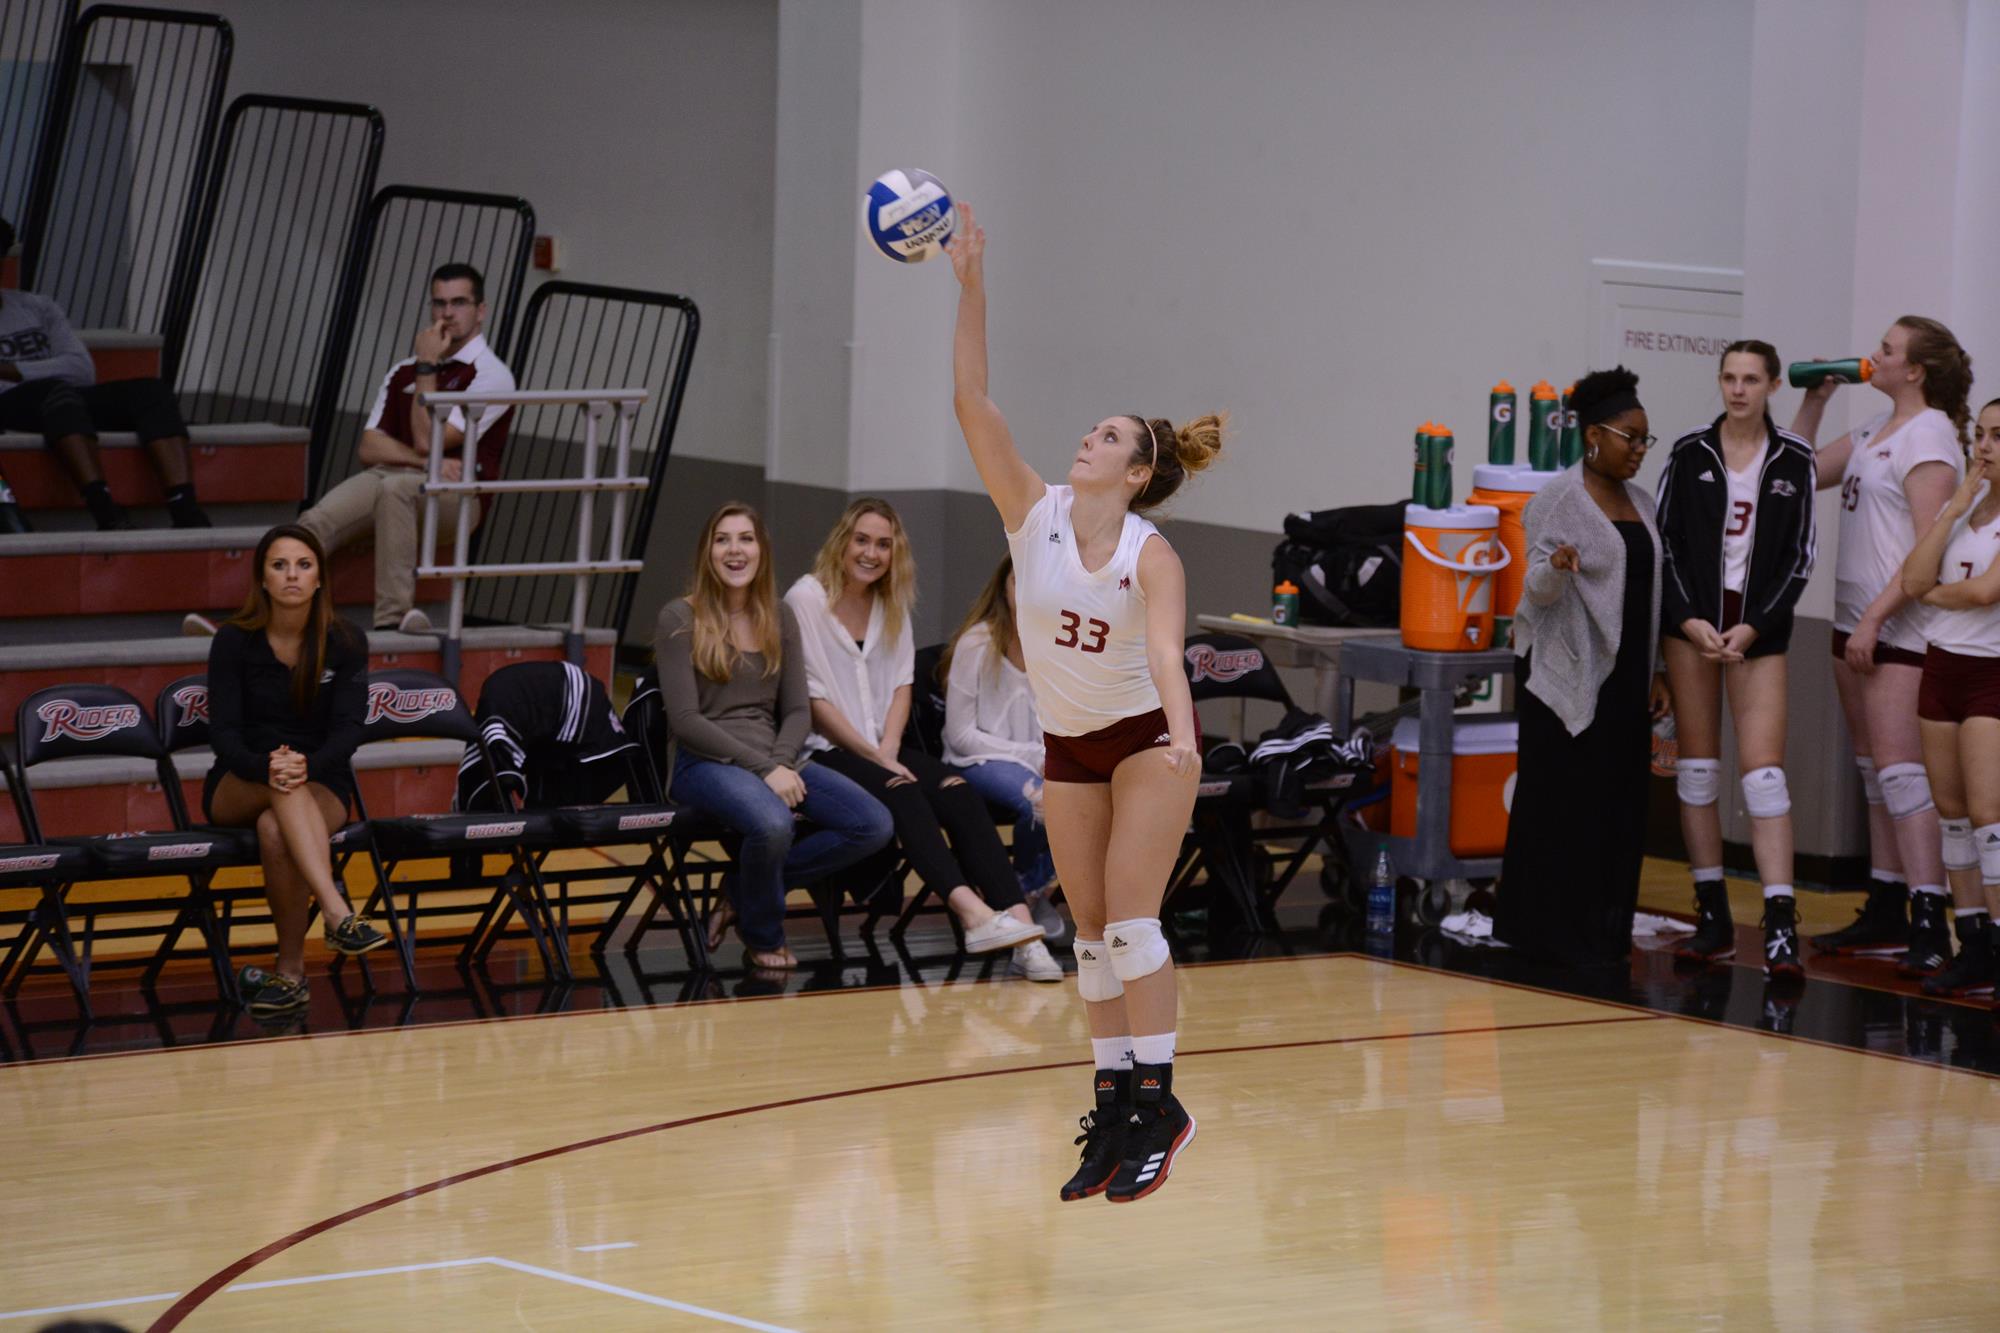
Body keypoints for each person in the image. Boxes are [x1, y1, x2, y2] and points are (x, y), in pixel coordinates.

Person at [946, 203, 1219, 1202]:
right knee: (1091, 939)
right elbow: (972, 398)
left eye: (1105, 436)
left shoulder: (1152, 553)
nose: (1084, 438)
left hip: (1145, 742)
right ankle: (1113, 1103)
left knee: (1135, 929)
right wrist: (970, 284)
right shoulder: (1033, 511)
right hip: (1068, 747)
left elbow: (1161, 651)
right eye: (1090, 430)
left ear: (1136, 473)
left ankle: (1160, 1100)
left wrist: (1185, 737)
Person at [784, 498, 1060, 981]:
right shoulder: (806, 598)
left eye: (883, 544)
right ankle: (973, 916)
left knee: (958, 792)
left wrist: (888, 750)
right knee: (905, 792)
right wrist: (876, 758)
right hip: (827, 749)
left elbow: (900, 686)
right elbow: (812, 699)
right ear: (842, 542)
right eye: (862, 540)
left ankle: (1023, 933)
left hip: (880, 744)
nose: (871, 553)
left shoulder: (890, 603)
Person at [1792, 317, 1967, 973]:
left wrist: (1874, 620)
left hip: (1896, 629)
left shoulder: (1931, 438)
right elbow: (1799, 470)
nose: (1874, 355)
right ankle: (1887, 903)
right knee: (1873, 769)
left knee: (1901, 771)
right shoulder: (1875, 430)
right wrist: (1816, 398)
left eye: (1887, 350)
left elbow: (1930, 549)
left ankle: (1930, 915)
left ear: (1915, 370)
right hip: (1849, 622)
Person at [655, 503, 895, 971]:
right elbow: (685, 720)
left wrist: (781, 762)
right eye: (723, 539)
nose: (735, 550)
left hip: (776, 758)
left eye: (746, 539)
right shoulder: (678, 617)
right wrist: (766, 769)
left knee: (873, 824)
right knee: (772, 825)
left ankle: (742, 890)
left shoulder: (779, 616)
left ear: (761, 551)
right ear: (708, 551)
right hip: (703, 762)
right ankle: (763, 932)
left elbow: (798, 709)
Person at [1495, 366, 1670, 969]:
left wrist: (1660, 670)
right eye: (1631, 437)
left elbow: (1653, 593)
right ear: (1593, 435)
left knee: (1618, 809)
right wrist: (1557, 568)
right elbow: (1535, 593)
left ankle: (1603, 933)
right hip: (1566, 675)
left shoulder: (1644, 504)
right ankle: (1545, 933)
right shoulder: (1556, 501)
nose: (1640, 450)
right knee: (1563, 809)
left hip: (1627, 678)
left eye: (1647, 439)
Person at [1654, 341, 1817, 977]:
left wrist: (1753, 627)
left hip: (1757, 632)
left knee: (1763, 778)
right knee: (1696, 771)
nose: (1739, 390)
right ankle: (1712, 914)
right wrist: (1690, 620)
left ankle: (1780, 925)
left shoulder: (1794, 458)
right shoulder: (1689, 450)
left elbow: (1799, 560)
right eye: (1729, 377)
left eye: (1751, 379)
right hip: (1692, 627)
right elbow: (1666, 543)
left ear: (1773, 385)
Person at [203, 524, 388, 1017]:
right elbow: (222, 734)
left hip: (320, 777)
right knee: (279, 785)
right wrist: (266, 767)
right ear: (262, 578)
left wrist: (308, 765)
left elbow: (350, 729)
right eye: (279, 565)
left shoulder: (345, 640)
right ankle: (337, 912)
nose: (291, 575)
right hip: (237, 779)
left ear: (320, 578)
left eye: (303, 566)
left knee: (276, 825)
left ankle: (290, 975)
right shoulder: (232, 642)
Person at [293, 262, 514, 633]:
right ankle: (262, 624)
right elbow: (368, 446)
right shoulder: (402, 370)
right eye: (439, 303)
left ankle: (391, 622)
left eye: (458, 302)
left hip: (458, 497)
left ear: (481, 311)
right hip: (395, 475)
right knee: (312, 522)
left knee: (397, 490)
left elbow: (431, 439)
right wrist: (423, 462)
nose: (447, 313)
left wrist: (428, 365)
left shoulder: (492, 375)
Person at [0, 215, 209, 531]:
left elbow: (82, 369)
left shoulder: (36, 307)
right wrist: (38, 375)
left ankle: (185, 508)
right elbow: (65, 371)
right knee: (56, 393)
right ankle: (104, 510)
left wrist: (11, 370)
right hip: (14, 404)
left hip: (63, 399)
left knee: (151, 391)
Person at [1899, 399, 2000, 998]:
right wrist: (1955, 506)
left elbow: (1987, 592)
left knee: (1990, 818)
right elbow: (1911, 578)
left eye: (1998, 437)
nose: (1985, 447)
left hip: (1990, 671)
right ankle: (1973, 944)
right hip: (1940, 666)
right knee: (1953, 816)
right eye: (1981, 435)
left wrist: (1933, 595)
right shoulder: (1959, 511)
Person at [940, 553, 1065, 940]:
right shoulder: (977, 643)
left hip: (1041, 761)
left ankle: (1026, 893)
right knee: (1039, 801)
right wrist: (1032, 756)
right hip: (975, 759)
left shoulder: (1059, 644)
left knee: (1080, 795)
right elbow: (960, 734)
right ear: (1003, 587)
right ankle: (1023, 898)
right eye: (1018, 582)